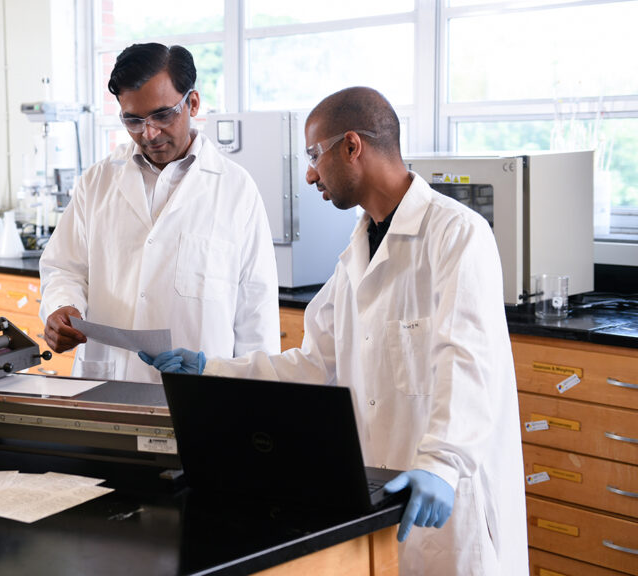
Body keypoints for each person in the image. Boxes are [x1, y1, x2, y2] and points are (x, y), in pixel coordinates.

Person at [141, 87, 528, 575]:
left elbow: (468, 362)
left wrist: (442, 465)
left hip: (446, 497)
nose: (308, 174)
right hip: (381, 495)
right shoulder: (357, 254)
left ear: (352, 147)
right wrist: (210, 368)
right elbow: (313, 362)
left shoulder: (456, 235)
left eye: (313, 155)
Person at [40, 43, 280, 383]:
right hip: (108, 382)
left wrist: (252, 402)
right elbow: (63, 267)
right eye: (133, 120)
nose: (148, 133)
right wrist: (61, 307)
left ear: (192, 103)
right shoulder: (97, 182)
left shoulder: (236, 190)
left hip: (201, 395)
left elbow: (257, 314)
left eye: (162, 115)